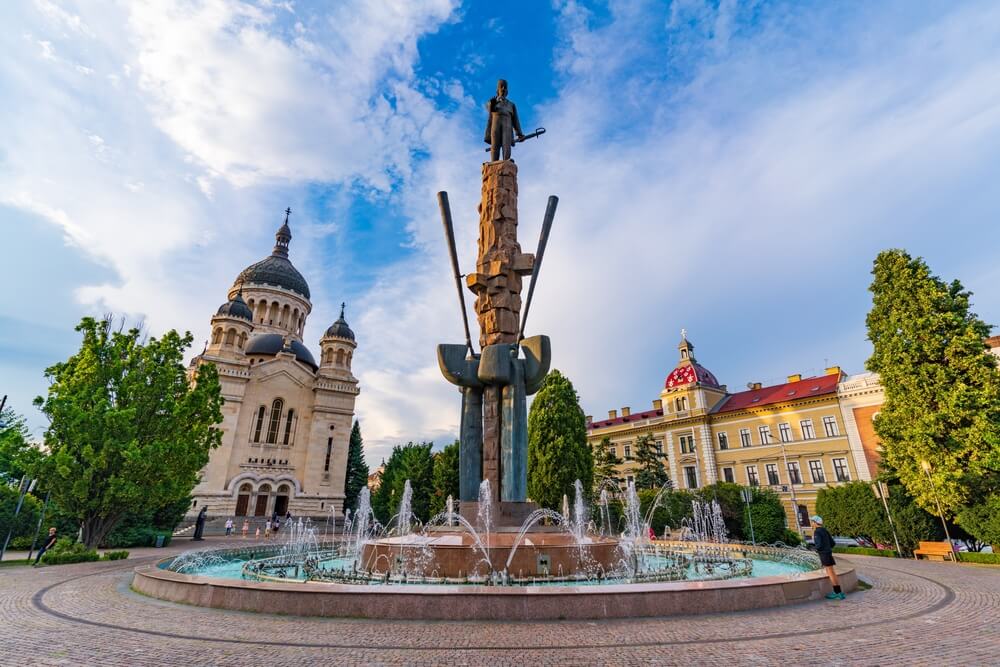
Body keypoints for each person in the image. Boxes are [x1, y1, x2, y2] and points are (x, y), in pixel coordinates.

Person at [811, 515, 844, 600]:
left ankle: (837, 593)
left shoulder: (817, 532)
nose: (812, 523)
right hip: (828, 553)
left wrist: (812, 549)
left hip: (824, 554)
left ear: (815, 522)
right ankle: (840, 593)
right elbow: (832, 543)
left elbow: (819, 545)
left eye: (812, 522)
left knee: (830, 573)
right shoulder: (825, 530)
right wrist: (827, 548)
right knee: (832, 572)